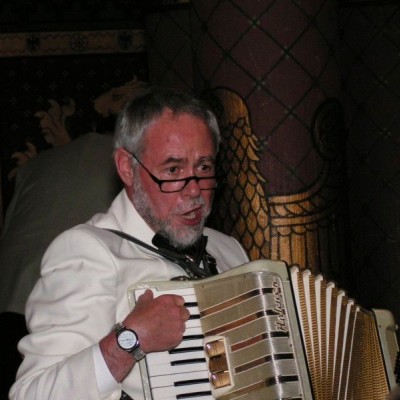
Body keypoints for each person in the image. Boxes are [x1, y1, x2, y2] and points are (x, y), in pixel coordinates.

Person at [9, 87, 249, 399]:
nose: (194, 191)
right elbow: (32, 394)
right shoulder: (85, 252)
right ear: (127, 167)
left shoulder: (229, 250)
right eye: (173, 169)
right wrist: (131, 340)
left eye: (204, 167)